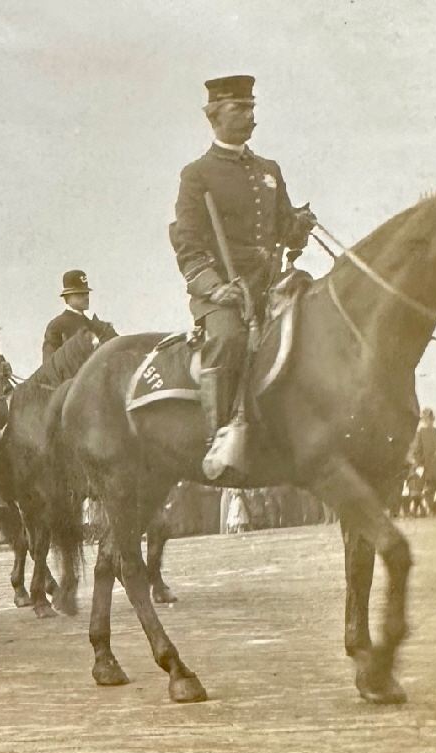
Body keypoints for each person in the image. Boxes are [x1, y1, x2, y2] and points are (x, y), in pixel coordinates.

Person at [169, 75, 316, 476]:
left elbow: (282, 227)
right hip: (225, 291)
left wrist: (298, 225)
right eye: (240, 108)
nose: (251, 116)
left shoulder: (269, 169)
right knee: (229, 340)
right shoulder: (196, 174)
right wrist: (214, 288)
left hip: (270, 283)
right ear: (214, 116)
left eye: (253, 107)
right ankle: (221, 441)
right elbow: (187, 243)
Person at [42, 270, 118, 361]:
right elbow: (49, 364)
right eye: (80, 294)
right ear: (67, 298)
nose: (86, 297)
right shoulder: (57, 325)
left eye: (86, 293)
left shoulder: (96, 326)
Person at [411, 408, 436, 515]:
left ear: (433, 419)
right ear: (423, 420)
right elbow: (417, 450)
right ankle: (433, 509)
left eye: (430, 419)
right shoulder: (421, 433)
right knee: (428, 491)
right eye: (425, 419)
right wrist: (419, 463)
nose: (428, 421)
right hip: (427, 467)